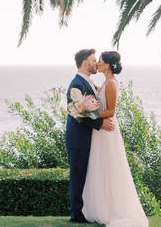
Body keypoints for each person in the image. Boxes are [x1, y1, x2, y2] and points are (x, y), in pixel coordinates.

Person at [81, 50, 148, 227]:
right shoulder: (104, 83)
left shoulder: (111, 84)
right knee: (100, 165)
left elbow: (111, 111)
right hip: (101, 129)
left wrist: (89, 114)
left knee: (110, 165)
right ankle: (103, 206)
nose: (98, 64)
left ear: (109, 65)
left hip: (107, 128)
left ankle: (114, 208)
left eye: (101, 61)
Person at [65, 49, 115, 223]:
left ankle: (87, 210)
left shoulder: (89, 82)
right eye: (94, 60)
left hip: (88, 138)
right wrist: (100, 123)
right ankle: (76, 214)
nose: (96, 63)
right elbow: (77, 114)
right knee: (78, 176)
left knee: (86, 175)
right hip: (78, 139)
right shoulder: (76, 85)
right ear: (86, 62)